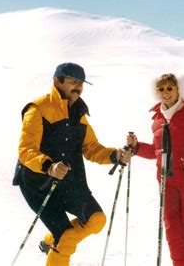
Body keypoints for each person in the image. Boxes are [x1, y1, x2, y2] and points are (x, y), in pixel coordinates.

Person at [13, 62, 131, 266]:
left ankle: (51, 242)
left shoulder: (79, 113)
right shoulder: (38, 109)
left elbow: (91, 148)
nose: (78, 87)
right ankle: (58, 241)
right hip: (37, 184)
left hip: (68, 183)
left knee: (96, 219)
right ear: (57, 81)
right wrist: (49, 166)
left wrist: (115, 155)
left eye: (81, 83)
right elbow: (26, 151)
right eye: (73, 82)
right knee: (66, 237)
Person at [126, 73, 184, 266]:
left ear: (179, 89)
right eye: (161, 89)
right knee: (173, 232)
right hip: (166, 184)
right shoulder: (157, 120)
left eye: (170, 88)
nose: (166, 93)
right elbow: (157, 151)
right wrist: (136, 148)